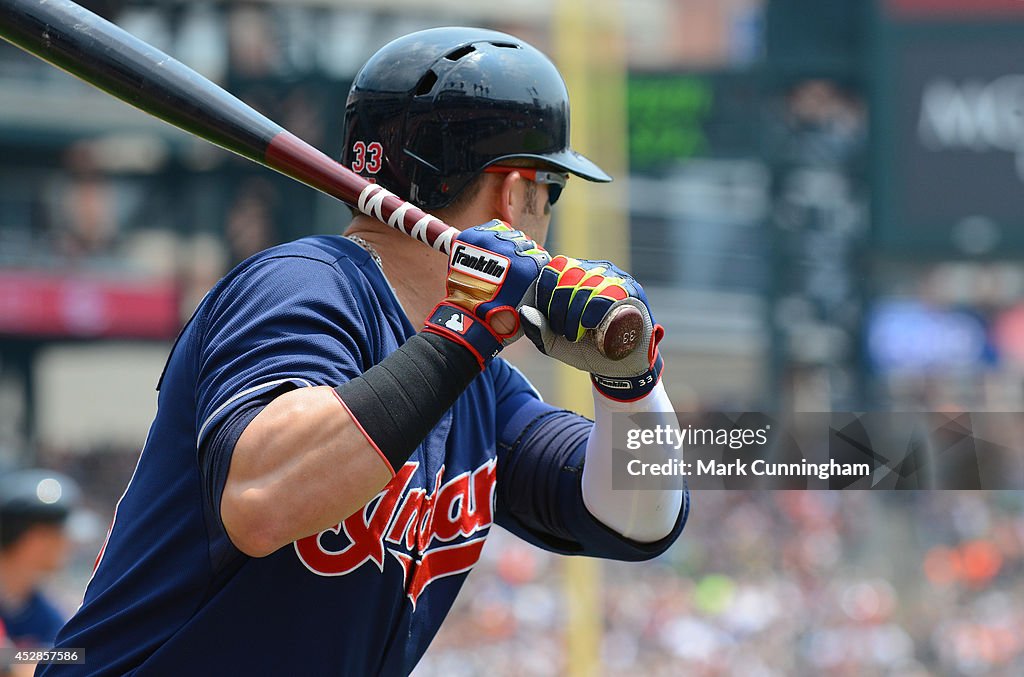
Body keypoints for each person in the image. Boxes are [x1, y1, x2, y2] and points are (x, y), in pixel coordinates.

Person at [43, 27, 688, 675]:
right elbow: (261, 499)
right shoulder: (304, 287)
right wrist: (468, 332)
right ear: (514, 194)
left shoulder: (479, 382)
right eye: (552, 190)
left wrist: (632, 384)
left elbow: (636, 519)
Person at [0, 469, 79, 649]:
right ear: (32, 539)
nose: (69, 543)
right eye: (57, 534)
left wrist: (12, 662)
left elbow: (74, 657)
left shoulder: (44, 610)